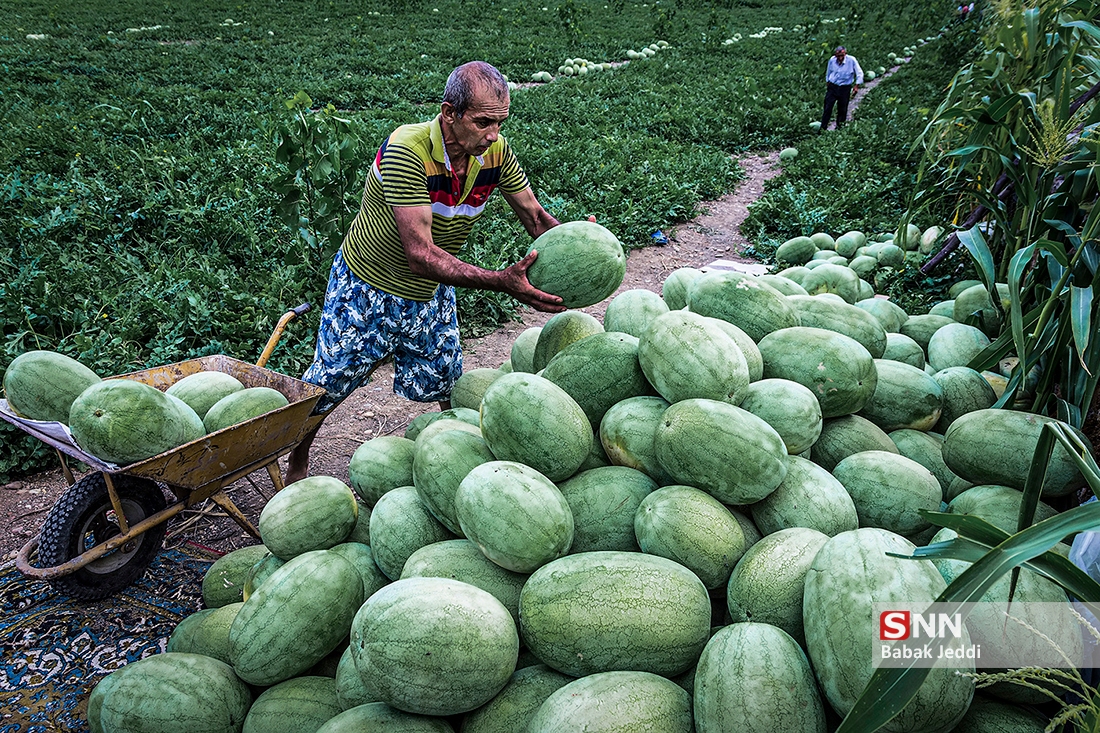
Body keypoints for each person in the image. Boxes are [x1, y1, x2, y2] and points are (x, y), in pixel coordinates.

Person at [286, 60, 566, 483]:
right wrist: (500, 281)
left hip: (433, 288)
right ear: (449, 113)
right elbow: (420, 254)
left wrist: (577, 241)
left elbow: (536, 217)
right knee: (328, 386)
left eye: (500, 122)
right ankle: (298, 459)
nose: (493, 135)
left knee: (448, 381)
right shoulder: (407, 149)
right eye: (483, 122)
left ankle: (458, 460)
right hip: (368, 286)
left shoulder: (495, 152)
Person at [820, 46, 864, 131]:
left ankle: (839, 128)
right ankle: (823, 128)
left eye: (842, 56)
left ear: (845, 54)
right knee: (827, 107)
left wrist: (856, 86)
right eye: (838, 56)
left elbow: (859, 73)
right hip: (833, 86)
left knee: (842, 109)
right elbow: (828, 72)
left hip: (845, 88)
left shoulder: (851, 60)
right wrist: (828, 82)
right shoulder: (832, 60)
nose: (840, 58)